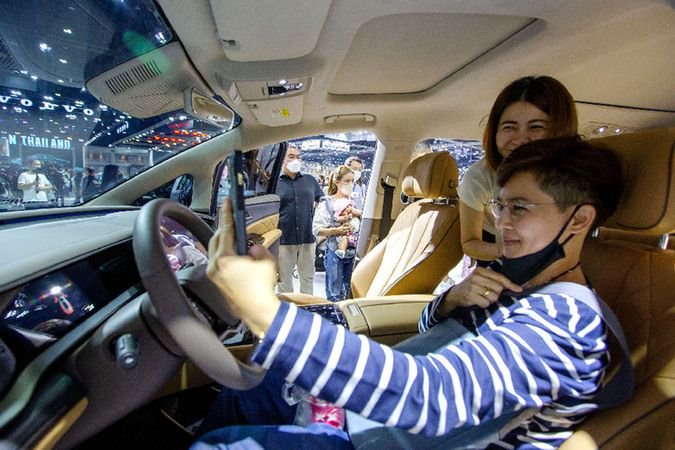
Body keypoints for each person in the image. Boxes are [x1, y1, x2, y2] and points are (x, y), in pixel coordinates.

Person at [197, 136, 626, 449]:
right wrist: (451, 301)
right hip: (379, 425)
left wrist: (265, 313)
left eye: (520, 208)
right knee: (254, 385)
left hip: (405, 435)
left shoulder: (567, 322)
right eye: (501, 205)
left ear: (579, 220)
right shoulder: (513, 281)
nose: (502, 222)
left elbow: (434, 397)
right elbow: (424, 339)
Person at [459, 75, 578, 266]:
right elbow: (469, 242)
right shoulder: (480, 177)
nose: (521, 139)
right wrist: (508, 249)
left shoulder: (580, 181)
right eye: (509, 127)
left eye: (536, 127)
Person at [275, 144, 324, 294]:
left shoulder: (310, 181)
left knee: (308, 278)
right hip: (284, 238)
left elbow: (321, 200)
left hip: (307, 237)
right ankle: (287, 310)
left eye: (298, 157)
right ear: (283, 160)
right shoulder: (275, 183)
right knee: (284, 280)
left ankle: (307, 309)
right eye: (291, 156)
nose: (295, 160)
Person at [312, 165, 361, 301]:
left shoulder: (356, 202)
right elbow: (317, 230)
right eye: (347, 181)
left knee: (351, 293)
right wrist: (337, 231)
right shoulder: (327, 203)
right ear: (337, 181)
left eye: (352, 181)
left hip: (355, 252)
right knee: (334, 294)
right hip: (334, 251)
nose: (350, 184)